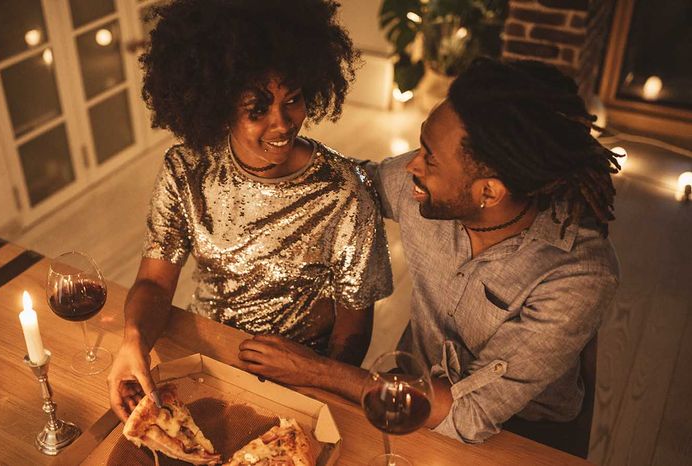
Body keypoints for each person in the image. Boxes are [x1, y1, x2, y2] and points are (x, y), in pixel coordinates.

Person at [238, 58, 620, 448]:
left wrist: (316, 370)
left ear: (488, 192)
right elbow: (354, 181)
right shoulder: (429, 183)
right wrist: (268, 142)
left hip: (520, 435)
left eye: (429, 158)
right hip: (407, 392)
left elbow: (469, 412)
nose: (411, 166)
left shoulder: (579, 273)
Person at [107, 0, 393, 421]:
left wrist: (316, 399)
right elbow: (154, 282)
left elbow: (353, 329)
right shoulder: (187, 171)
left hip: (298, 376)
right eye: (257, 108)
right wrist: (134, 339)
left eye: (292, 99)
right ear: (219, 106)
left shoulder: (343, 192)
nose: (282, 123)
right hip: (202, 356)